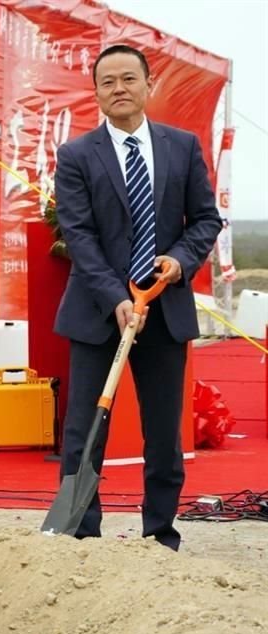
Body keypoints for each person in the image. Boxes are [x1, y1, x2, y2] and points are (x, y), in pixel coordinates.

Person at [53, 45, 222, 550]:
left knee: (164, 436)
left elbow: (206, 220)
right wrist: (116, 296)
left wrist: (178, 261)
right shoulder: (77, 155)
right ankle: (77, 533)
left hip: (164, 311)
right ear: (96, 92)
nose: (119, 88)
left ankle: (160, 535)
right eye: (107, 81)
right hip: (97, 313)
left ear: (149, 86)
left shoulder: (182, 147)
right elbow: (77, 235)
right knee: (83, 433)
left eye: (129, 79)